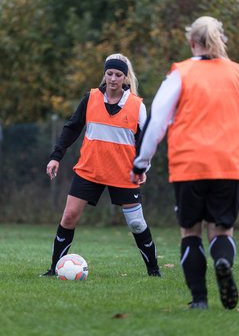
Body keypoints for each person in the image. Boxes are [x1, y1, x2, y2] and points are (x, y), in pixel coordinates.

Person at [131, 16, 239, 309]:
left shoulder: (181, 73)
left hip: (189, 165)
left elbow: (156, 123)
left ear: (192, 41)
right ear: (221, 40)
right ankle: (221, 261)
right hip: (228, 165)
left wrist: (140, 164)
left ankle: (200, 300)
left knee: (190, 232)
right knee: (222, 230)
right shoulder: (236, 73)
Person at [41, 53, 161, 277]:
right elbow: (72, 128)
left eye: (118, 74)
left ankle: (154, 271)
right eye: (109, 74)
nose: (113, 78)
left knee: (136, 224)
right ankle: (54, 269)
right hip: (89, 170)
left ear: (125, 78)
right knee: (68, 217)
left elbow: (146, 141)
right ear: (104, 75)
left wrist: (143, 167)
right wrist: (56, 156)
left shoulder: (137, 106)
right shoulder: (91, 98)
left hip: (124, 173)